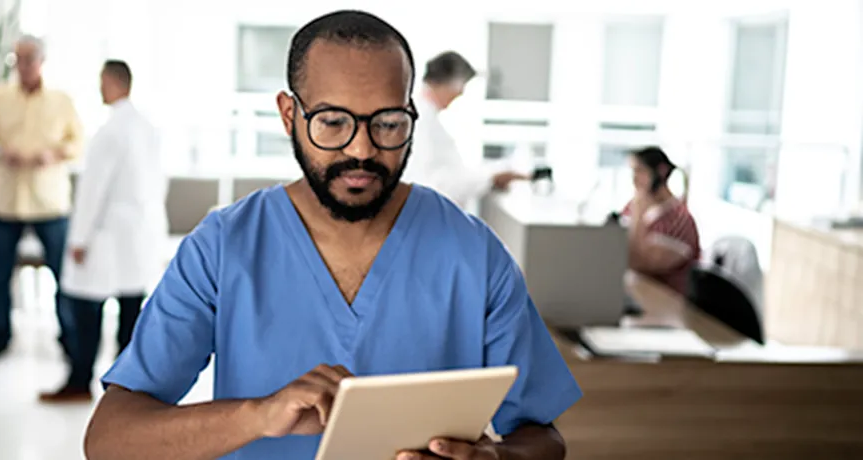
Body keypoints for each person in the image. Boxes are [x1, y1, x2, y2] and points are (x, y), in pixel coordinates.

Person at [85, 10, 581, 460]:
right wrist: (258, 415)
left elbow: (543, 438)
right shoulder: (224, 247)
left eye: (387, 122)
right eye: (333, 121)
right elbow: (109, 439)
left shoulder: (474, 254)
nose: (362, 149)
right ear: (289, 115)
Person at [40, 60, 168, 403]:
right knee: (130, 309)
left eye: (101, 82)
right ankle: (126, 388)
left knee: (86, 307)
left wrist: (79, 238)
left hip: (108, 233)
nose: (99, 88)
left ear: (112, 83)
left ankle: (80, 379)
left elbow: (93, 189)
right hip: (139, 233)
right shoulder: (148, 127)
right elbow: (159, 183)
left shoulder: (110, 131)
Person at [0, 35, 85, 363]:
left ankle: (69, 338)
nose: (23, 66)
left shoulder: (61, 101)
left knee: (63, 276)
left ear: (41, 62)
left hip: (49, 203)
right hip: (5, 202)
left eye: (29, 59)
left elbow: (78, 143)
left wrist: (53, 154)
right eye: (17, 59)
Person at [404, 51, 528, 208]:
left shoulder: (426, 118)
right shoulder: (422, 123)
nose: (461, 92)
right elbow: (433, 183)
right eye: (461, 84)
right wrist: (489, 177)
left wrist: (488, 176)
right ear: (448, 82)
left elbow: (446, 172)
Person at [621, 146, 700, 295]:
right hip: (637, 295)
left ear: (661, 171)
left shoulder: (680, 220)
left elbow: (638, 263)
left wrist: (638, 215)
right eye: (633, 171)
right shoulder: (630, 207)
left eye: (640, 171)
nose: (634, 179)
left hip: (667, 304)